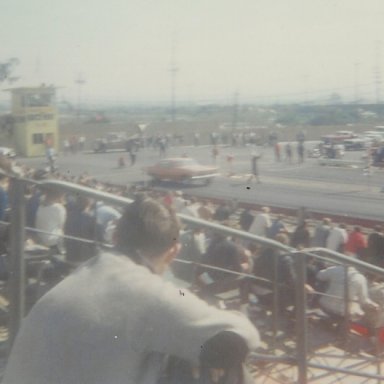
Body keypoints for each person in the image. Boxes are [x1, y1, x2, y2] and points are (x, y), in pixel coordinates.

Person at [3, 195, 259, 384]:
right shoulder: (149, 292)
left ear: (115, 238)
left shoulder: (85, 273)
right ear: (173, 252)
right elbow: (242, 336)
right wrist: (237, 317)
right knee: (222, 357)